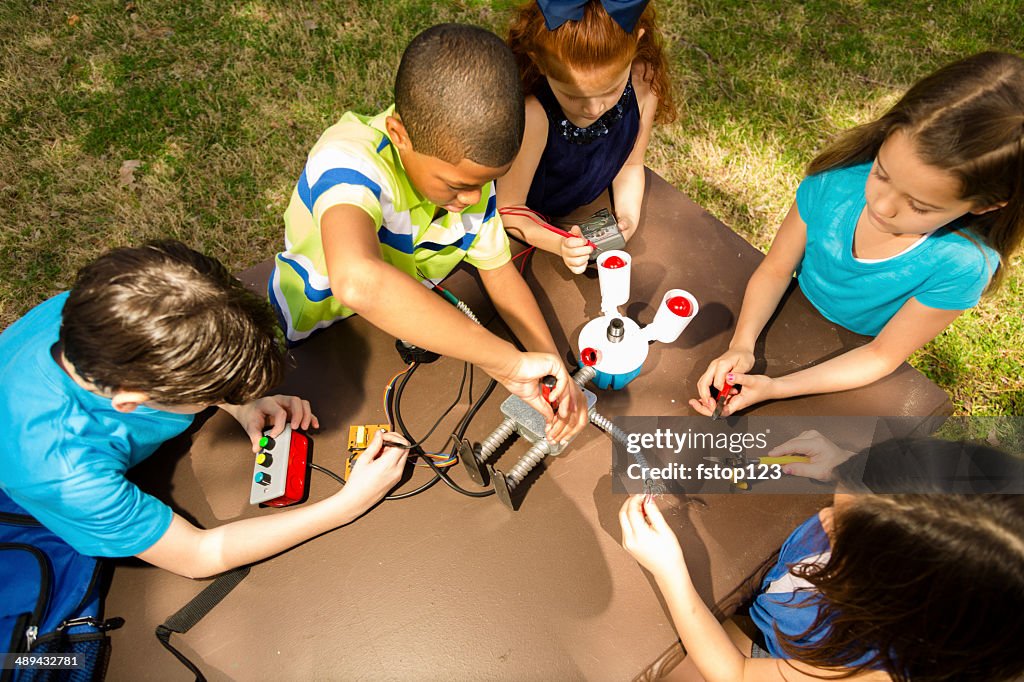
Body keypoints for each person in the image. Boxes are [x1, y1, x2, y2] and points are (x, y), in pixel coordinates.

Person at [0, 241, 409, 579]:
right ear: (129, 402)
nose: (226, 395)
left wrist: (241, 403)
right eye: (211, 392)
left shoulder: (114, 305)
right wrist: (347, 503)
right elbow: (199, 555)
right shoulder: (67, 475)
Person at [269, 23, 587, 441]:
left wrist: (551, 368)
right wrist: (507, 362)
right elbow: (358, 280)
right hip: (313, 339)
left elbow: (499, 271)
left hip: (402, 327)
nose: (473, 199)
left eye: (486, 183)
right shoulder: (347, 160)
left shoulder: (465, 174)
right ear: (400, 135)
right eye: (456, 186)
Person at [691, 51, 1024, 417]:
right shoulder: (834, 180)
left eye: (920, 206)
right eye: (881, 173)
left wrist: (776, 387)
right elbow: (776, 268)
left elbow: (882, 355)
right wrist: (742, 344)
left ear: (986, 205)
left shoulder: (963, 265)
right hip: (796, 313)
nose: (881, 206)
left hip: (855, 354)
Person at [619, 470, 1024, 680]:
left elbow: (736, 673)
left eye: (841, 532)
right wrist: (841, 465)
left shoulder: (877, 673)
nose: (823, 518)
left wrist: (671, 571)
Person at [500, 0, 675, 274]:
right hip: (531, 235)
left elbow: (630, 165)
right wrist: (560, 243)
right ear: (539, 62)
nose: (594, 109)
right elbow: (509, 208)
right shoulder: (534, 114)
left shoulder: (642, 81)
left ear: (636, 47)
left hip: (593, 211)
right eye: (573, 95)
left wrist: (628, 215)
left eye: (611, 90)